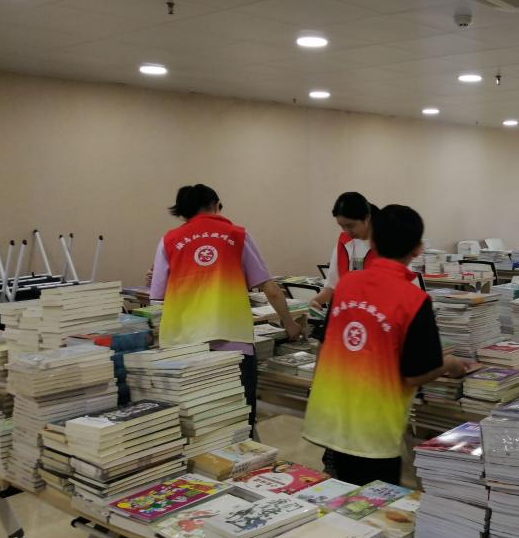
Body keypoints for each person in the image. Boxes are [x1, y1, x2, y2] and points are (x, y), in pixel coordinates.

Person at [303, 204, 468, 485]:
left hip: (333, 418)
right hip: (374, 428)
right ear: (418, 249)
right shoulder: (413, 299)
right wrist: (449, 364)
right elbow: (414, 374)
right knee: (374, 503)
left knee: (342, 493)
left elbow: (327, 342)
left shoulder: (346, 285)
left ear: (372, 242)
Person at [149, 184, 302, 423]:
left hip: (184, 346)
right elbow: (270, 290)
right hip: (232, 343)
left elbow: (157, 295)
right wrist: (290, 323)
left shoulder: (169, 240)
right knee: (239, 420)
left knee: (199, 423)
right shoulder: (238, 235)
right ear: (216, 205)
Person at [311, 192, 377, 309]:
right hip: (350, 312)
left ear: (366, 218)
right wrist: (315, 300)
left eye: (351, 226)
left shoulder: (385, 244)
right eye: (342, 226)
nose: (347, 231)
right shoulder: (344, 242)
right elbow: (332, 287)